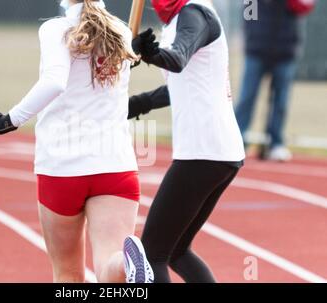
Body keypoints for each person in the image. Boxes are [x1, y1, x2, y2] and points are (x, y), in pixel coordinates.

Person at [0, 0, 153, 283]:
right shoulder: (121, 32)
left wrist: (9, 120)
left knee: (68, 274)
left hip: (62, 168)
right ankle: (125, 266)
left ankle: (126, 267)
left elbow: (55, 81)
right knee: (108, 268)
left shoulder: (56, 28)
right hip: (115, 166)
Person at [129, 0, 245, 283]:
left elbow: (178, 59)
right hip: (215, 151)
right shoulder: (180, 17)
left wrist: (152, 54)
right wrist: (136, 104)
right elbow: (183, 85)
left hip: (204, 152)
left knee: (152, 254)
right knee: (176, 251)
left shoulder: (195, 14)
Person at [235, 0, 315, 162]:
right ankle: (236, 142)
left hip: (285, 51)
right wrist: (253, 37)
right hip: (256, 50)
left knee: (280, 102)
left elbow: (304, 6)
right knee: (247, 98)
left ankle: (275, 143)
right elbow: (248, 14)